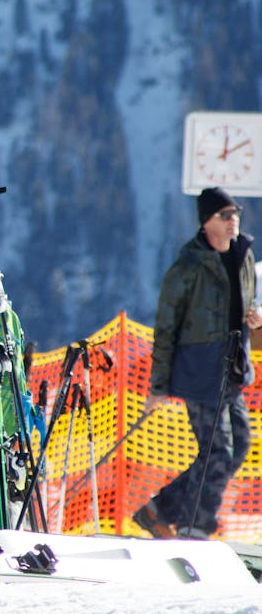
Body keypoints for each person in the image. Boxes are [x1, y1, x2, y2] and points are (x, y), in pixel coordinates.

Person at [134, 186, 260, 540]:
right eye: (224, 214)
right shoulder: (187, 266)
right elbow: (166, 329)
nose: (233, 219)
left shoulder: (243, 256)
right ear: (207, 222)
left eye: (235, 212)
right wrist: (159, 387)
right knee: (218, 452)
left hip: (233, 370)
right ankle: (195, 528)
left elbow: (248, 304)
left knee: (239, 447)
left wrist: (255, 318)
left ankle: (159, 510)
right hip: (200, 373)